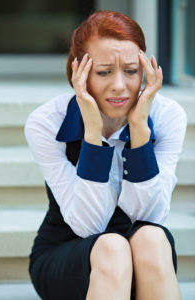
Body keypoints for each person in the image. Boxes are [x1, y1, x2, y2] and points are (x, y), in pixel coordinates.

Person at [25, 10, 187, 300]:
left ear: (146, 70)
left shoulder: (167, 117)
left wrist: (139, 130)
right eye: (103, 72)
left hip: (147, 258)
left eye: (130, 70)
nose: (119, 86)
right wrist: (92, 134)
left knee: (151, 237)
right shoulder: (47, 122)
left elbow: (149, 217)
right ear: (79, 72)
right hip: (69, 256)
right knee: (112, 246)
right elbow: (90, 226)